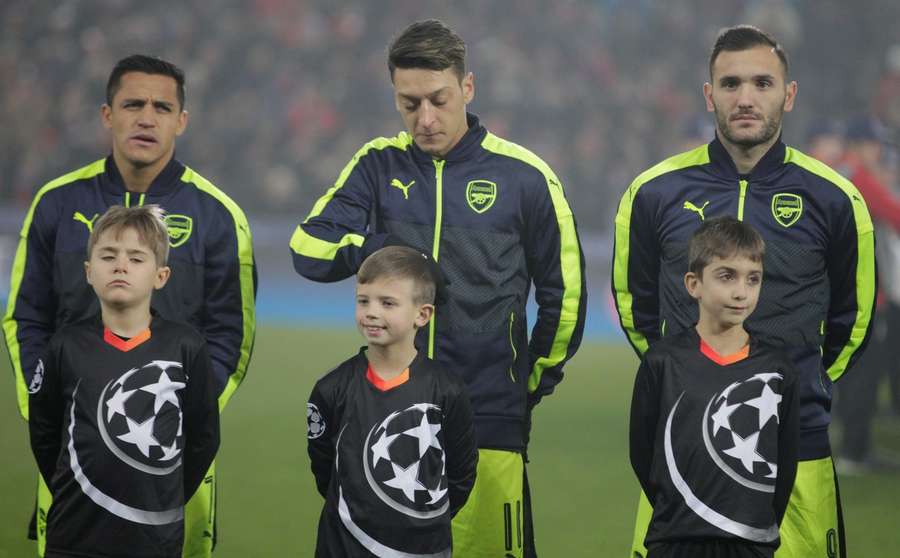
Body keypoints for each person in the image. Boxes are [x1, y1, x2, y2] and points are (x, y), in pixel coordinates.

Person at [290, 19, 586, 556]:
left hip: (490, 412)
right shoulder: (377, 165)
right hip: (385, 414)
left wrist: (527, 381)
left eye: (438, 100)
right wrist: (383, 248)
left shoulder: (525, 176)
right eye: (408, 104)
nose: (424, 119)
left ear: (467, 88)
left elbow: (564, 294)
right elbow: (307, 249)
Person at [612, 25, 876, 558]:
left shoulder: (834, 199)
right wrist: (693, 379)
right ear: (709, 95)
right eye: (730, 84)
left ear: (789, 93)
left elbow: (854, 319)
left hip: (796, 448)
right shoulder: (653, 193)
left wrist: (799, 384)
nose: (746, 98)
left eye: (762, 83)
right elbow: (637, 308)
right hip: (681, 443)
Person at [2, 54, 256, 558]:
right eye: (133, 104)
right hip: (74, 452)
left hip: (169, 451)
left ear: (181, 120)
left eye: (162, 107)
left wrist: (182, 416)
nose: (146, 117)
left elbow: (233, 336)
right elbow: (25, 317)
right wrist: (49, 407)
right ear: (107, 114)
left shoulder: (220, 216)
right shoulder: (56, 202)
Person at [28, 205, 220, 558]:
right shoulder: (65, 346)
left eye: (136, 258)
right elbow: (44, 434)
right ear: (88, 272)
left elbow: (203, 438)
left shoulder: (186, 347)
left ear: (160, 276)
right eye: (108, 256)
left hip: (153, 541)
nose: (120, 265)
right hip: (73, 536)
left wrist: (165, 497)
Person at [630, 216, 799, 558]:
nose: (741, 292)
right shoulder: (662, 362)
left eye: (753, 279)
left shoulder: (777, 369)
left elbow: (786, 465)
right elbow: (642, 455)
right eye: (727, 276)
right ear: (694, 284)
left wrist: (752, 524)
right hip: (675, 541)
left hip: (751, 545)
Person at [307, 245, 478, 556]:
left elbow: (461, 473)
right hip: (344, 547)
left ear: (422, 315)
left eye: (387, 303)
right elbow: (324, 471)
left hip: (425, 548)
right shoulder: (331, 389)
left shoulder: (447, 390)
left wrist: (421, 520)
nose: (372, 312)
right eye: (363, 301)